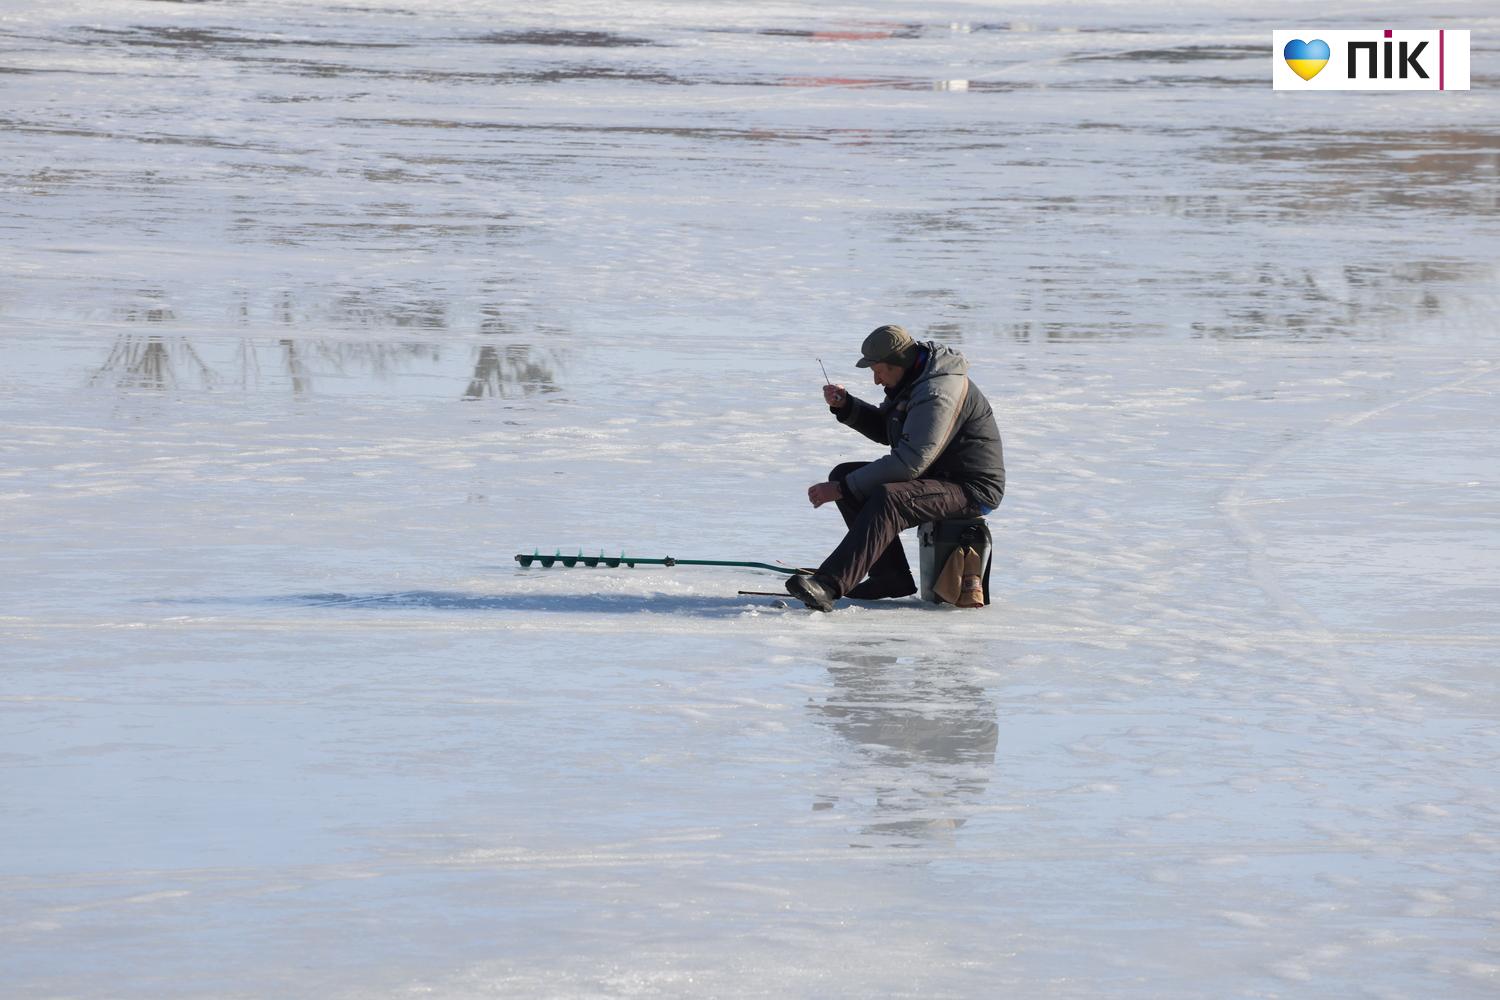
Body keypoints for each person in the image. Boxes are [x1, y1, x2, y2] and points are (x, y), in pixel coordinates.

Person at [786, 324, 1005, 612]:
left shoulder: (938, 391)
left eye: (879, 371)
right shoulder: (914, 379)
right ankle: (889, 577)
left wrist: (841, 490)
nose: (876, 380)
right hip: (938, 476)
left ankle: (829, 585)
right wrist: (848, 406)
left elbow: (910, 462)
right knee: (845, 474)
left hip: (970, 488)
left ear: (898, 363)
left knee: (888, 498)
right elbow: (892, 433)